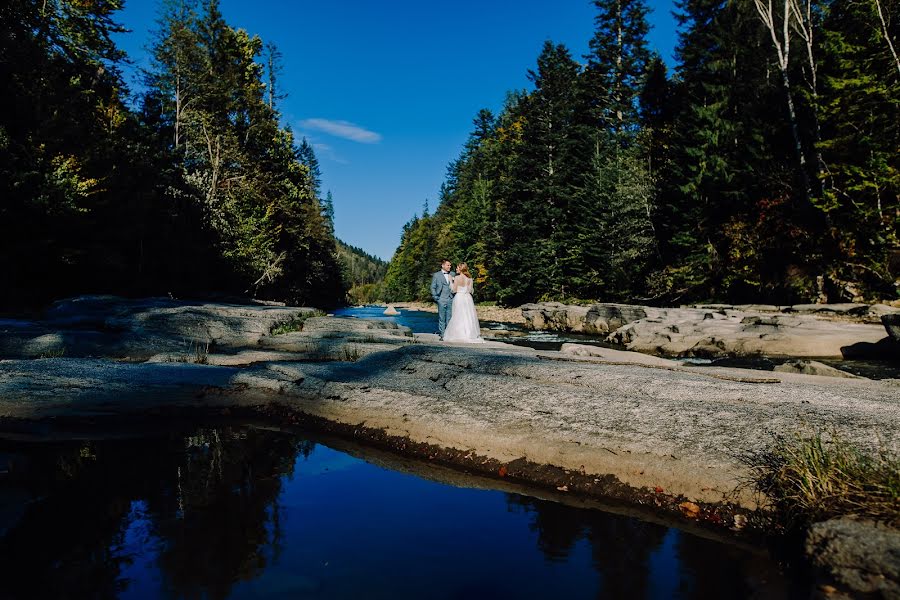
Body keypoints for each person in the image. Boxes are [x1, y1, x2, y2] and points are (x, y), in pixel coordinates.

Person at [443, 263, 485, 343]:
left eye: (457, 268)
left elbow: (454, 290)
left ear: (461, 269)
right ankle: (469, 334)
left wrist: (451, 281)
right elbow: (470, 290)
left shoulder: (457, 278)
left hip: (459, 297)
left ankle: (459, 334)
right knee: (468, 315)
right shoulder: (469, 278)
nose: (456, 269)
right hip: (468, 298)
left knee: (458, 315)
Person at [430, 259, 455, 340]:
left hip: (451, 298)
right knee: (441, 317)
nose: (449, 267)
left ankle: (449, 334)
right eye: (448, 265)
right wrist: (436, 297)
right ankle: (443, 335)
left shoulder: (452, 274)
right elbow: (433, 287)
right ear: (443, 265)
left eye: (450, 265)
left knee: (449, 317)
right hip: (441, 298)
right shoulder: (436, 275)